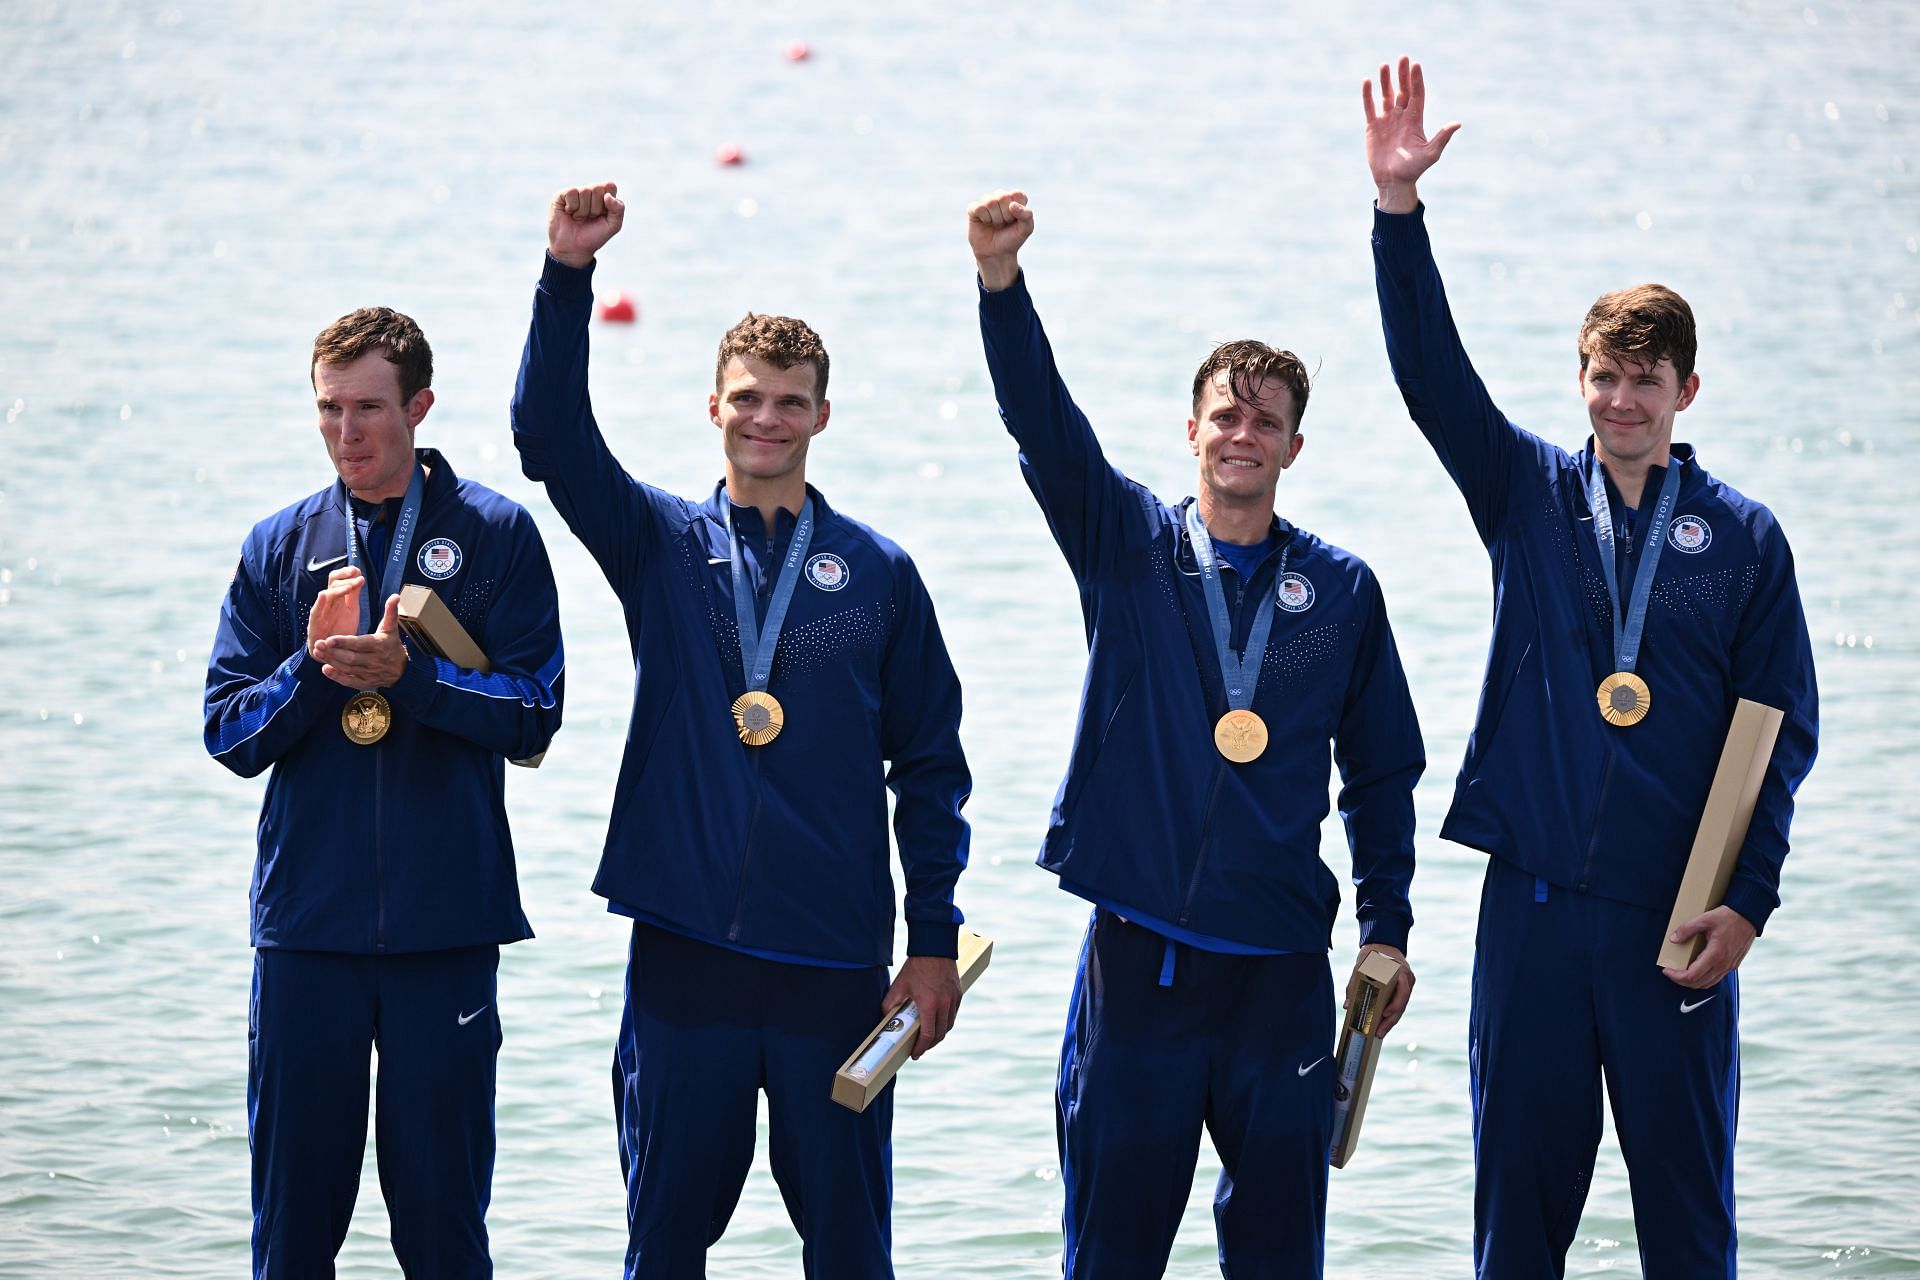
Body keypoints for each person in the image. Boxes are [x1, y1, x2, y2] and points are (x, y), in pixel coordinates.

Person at [1363, 57, 1820, 1277]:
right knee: (1518, 1222)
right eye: (1604, 377)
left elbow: (1782, 731)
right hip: (1536, 914)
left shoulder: (1741, 536)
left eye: (1647, 380)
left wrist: (1750, 898)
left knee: (1687, 1221)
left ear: (1687, 390)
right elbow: (1429, 378)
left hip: (1678, 921)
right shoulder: (1524, 492)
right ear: (1582, 381)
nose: (1623, 399)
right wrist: (1397, 213)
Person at [511, 182, 973, 1279]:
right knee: (666, 1240)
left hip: (833, 961)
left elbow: (932, 764)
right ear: (712, 407)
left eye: (790, 401)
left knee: (852, 1249)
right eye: (747, 398)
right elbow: (549, 436)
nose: (767, 418)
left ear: (822, 416)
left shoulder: (878, 572)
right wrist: (565, 273)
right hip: (688, 955)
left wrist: (935, 937)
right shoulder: (660, 543)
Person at [968, 189, 1424, 1278]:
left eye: (1265, 419)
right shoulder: (1128, 544)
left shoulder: (1342, 590)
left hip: (1278, 976)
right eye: (1225, 414)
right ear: (1192, 430)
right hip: (1143, 969)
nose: (1242, 433)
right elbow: (1042, 421)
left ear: (1294, 445)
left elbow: (1381, 771)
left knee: (1279, 1261)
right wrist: (1000, 282)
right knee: (1111, 1257)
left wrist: (1388, 922)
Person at [204, 306, 566, 1277]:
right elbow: (227, 732)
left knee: (443, 1232)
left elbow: (535, 713)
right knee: (291, 1237)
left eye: (368, 408)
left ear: (421, 405)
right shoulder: (279, 542)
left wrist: (413, 679)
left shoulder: (493, 534)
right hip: (305, 937)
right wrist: (312, 670)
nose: (345, 433)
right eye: (328, 409)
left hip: (443, 933)